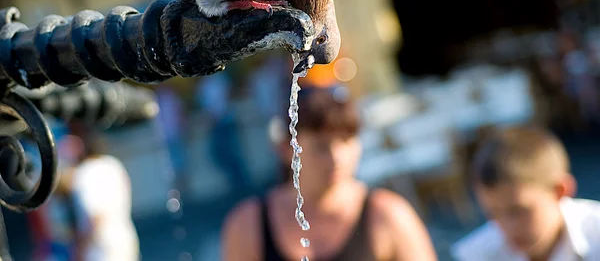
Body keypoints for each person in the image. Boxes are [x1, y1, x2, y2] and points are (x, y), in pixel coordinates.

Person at [221, 85, 437, 261]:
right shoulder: (248, 225)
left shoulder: (388, 216)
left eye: (346, 140)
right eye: (321, 146)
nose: (336, 158)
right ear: (286, 149)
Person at [451, 126, 600, 261]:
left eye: (518, 210)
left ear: (559, 191)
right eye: (492, 213)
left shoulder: (596, 237)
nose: (508, 227)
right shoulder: (477, 255)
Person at [64, 120, 140, 261]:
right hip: (125, 238)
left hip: (101, 249)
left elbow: (96, 217)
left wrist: (80, 249)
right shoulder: (112, 164)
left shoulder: (85, 174)